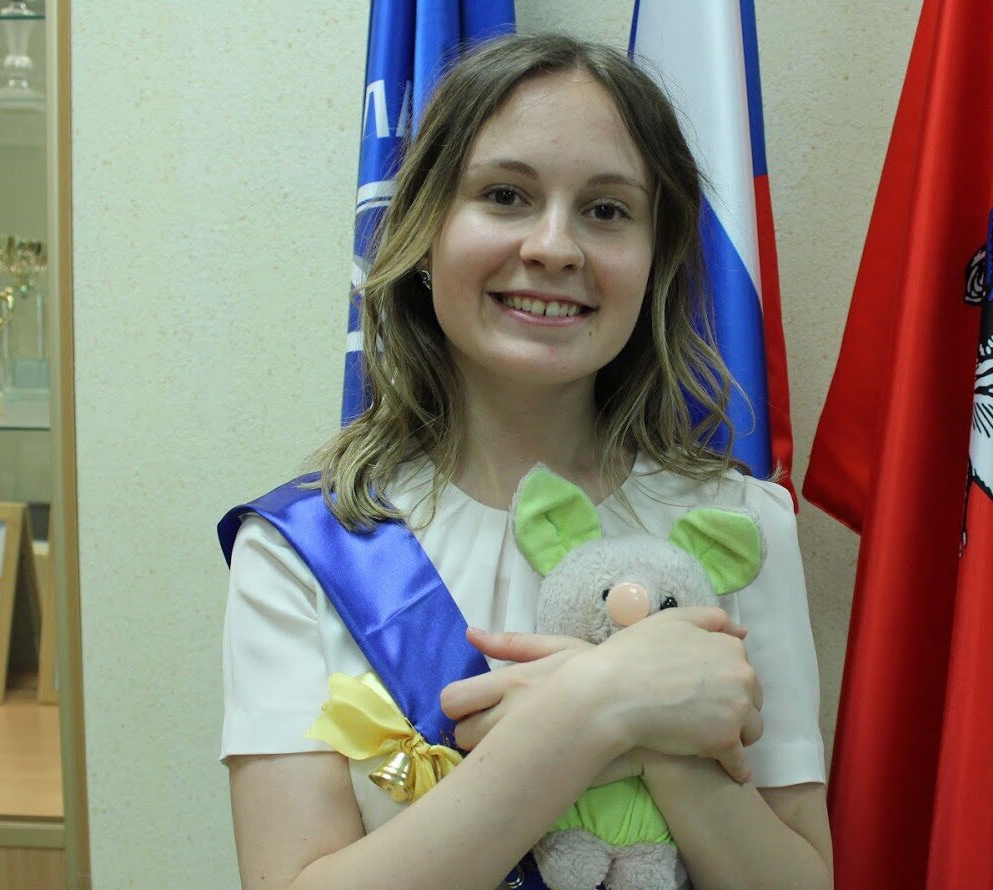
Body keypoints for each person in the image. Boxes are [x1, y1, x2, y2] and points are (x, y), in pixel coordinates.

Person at [220, 33, 832, 890]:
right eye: (505, 196)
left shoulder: (742, 526)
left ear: (655, 261)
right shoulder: (303, 550)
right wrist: (601, 704)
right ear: (425, 232)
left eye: (607, 210)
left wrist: (655, 746)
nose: (554, 247)